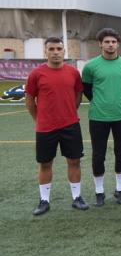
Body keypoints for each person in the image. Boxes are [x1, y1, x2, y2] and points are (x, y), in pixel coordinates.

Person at [25, 37, 89, 215]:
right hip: (46, 128)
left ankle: (77, 198)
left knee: (74, 161)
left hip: (70, 125)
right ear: (45, 52)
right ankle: (44, 201)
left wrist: (70, 112)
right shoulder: (36, 74)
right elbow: (29, 100)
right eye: (51, 49)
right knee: (45, 163)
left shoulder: (73, 72)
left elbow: (78, 95)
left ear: (64, 51)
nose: (55, 52)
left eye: (58, 49)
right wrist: (39, 119)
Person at [81, 28, 121, 207]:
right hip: (98, 117)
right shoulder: (90, 66)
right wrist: (101, 103)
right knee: (98, 154)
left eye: (113, 42)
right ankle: (99, 192)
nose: (110, 45)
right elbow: (87, 90)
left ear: (117, 44)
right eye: (107, 42)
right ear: (100, 44)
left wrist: (117, 101)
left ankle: (120, 189)